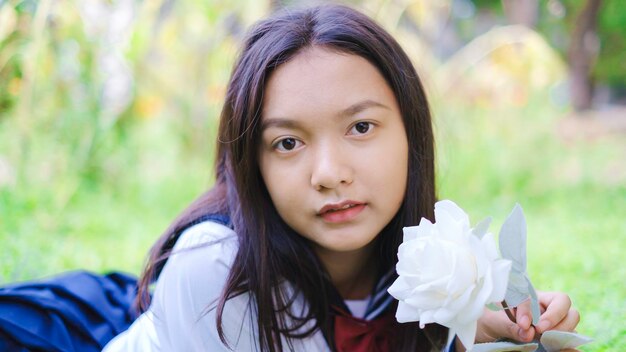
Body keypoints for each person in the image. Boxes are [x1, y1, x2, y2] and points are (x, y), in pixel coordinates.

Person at [2, 4, 580, 352]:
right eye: (287, 143)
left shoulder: (432, 253)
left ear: (412, 134)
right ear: (251, 165)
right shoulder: (215, 272)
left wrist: (480, 328)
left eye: (360, 127)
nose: (329, 174)